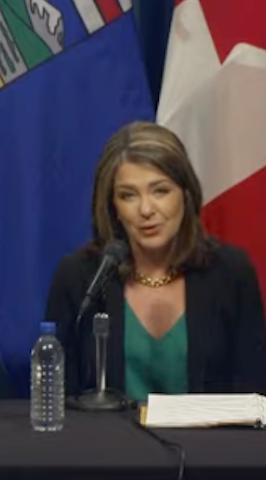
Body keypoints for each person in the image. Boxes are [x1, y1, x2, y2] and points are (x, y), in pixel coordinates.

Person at [46, 121, 266, 401]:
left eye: (160, 191)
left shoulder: (229, 271)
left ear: (185, 195)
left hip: (209, 444)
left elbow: (254, 395)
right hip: (107, 444)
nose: (146, 209)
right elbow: (58, 399)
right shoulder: (80, 276)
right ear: (113, 206)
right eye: (128, 195)